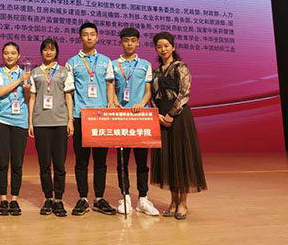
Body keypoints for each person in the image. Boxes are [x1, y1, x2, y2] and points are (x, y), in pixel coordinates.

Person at [150, 31, 207, 220]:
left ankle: (183, 203)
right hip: (161, 118)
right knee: (168, 160)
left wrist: (170, 115)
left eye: (166, 46)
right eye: (159, 46)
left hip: (179, 117)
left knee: (181, 159)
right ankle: (173, 201)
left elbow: (184, 93)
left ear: (173, 47)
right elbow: (153, 96)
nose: (163, 49)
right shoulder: (156, 71)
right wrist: (158, 114)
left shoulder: (181, 67)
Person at [105, 27, 159, 216]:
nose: (129, 43)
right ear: (121, 42)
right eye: (126, 40)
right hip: (122, 118)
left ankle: (143, 198)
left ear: (138, 42)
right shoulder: (113, 64)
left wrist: (142, 104)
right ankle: (125, 196)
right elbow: (111, 86)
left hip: (140, 117)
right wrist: (115, 102)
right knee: (123, 161)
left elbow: (148, 90)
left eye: (133, 40)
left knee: (142, 161)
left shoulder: (145, 65)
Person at [66, 22, 116, 216]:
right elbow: (69, 93)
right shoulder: (72, 62)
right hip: (81, 116)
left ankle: (99, 198)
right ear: (80, 37)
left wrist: (110, 103)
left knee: (101, 161)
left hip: (101, 117)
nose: (89, 37)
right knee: (81, 161)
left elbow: (110, 84)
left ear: (97, 37)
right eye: (85, 34)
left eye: (92, 34)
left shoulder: (106, 61)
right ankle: (83, 199)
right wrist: (70, 119)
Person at [28, 38, 75, 217]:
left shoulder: (64, 71)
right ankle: (48, 198)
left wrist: (70, 120)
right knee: (44, 163)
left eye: (52, 49)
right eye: (45, 49)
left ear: (56, 52)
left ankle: (59, 199)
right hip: (41, 122)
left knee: (60, 164)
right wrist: (30, 122)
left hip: (60, 122)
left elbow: (68, 96)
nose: (48, 52)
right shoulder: (34, 72)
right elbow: (32, 98)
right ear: (41, 52)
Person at [0, 42, 31, 216]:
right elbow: (0, 92)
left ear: (19, 55)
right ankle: (3, 199)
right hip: (1, 120)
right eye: (6, 53)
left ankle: (14, 199)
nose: (9, 56)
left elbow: (27, 99)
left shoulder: (26, 73)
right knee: (2, 162)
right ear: (2, 55)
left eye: (13, 53)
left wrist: (27, 88)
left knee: (17, 163)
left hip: (20, 122)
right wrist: (19, 81)